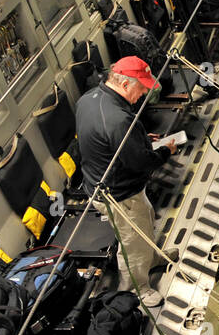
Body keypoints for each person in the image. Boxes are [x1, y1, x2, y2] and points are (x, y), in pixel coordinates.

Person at [75, 56, 178, 308]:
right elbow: (142, 162)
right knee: (132, 241)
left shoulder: (88, 99)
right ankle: (137, 288)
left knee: (146, 218)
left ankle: (151, 258)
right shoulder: (118, 120)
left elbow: (110, 139)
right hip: (119, 194)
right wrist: (166, 151)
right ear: (124, 84)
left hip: (111, 185)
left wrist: (139, 137)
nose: (144, 93)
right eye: (141, 87)